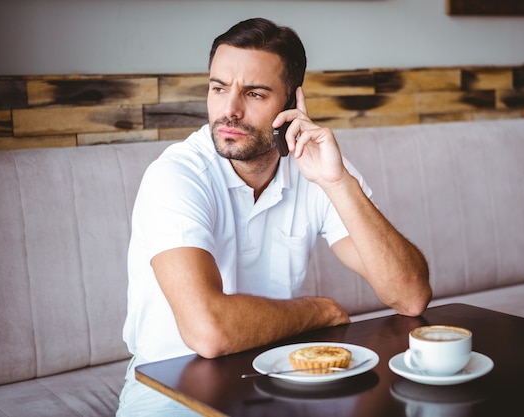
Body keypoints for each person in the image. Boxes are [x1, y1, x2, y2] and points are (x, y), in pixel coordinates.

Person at [116, 17, 431, 416]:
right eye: (218, 88)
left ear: (290, 103)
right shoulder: (176, 176)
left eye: (255, 93)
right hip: (168, 391)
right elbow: (208, 331)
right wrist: (318, 311)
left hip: (275, 380)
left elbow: (410, 295)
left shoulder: (315, 164)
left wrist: (337, 182)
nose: (229, 110)